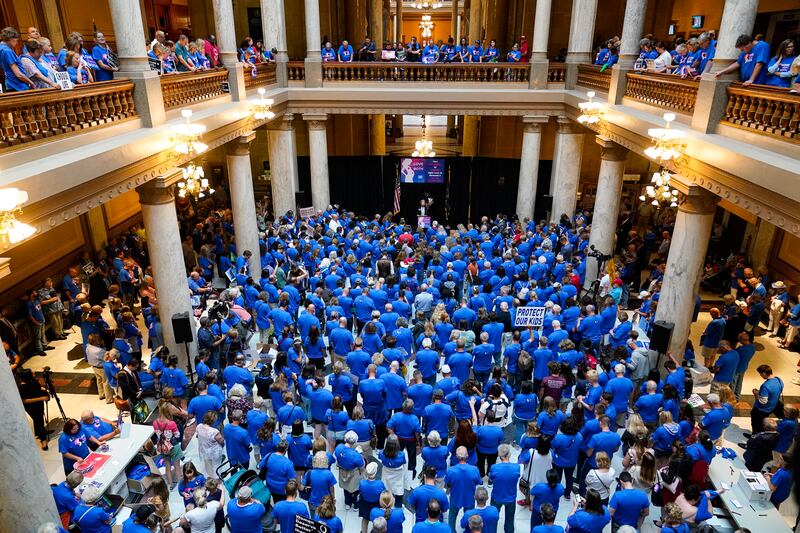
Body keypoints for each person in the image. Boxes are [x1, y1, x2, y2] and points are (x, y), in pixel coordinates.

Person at [446, 446, 483, 531]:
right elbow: (479, 482)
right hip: (469, 498)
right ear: (467, 456)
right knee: (470, 518)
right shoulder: (474, 469)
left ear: (456, 456)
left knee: (452, 517)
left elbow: (448, 483)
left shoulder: (451, 470)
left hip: (455, 498)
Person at [488, 444, 519, 533]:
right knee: (510, 519)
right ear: (509, 454)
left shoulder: (494, 467)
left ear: (499, 455)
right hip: (511, 497)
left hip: (497, 496)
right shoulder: (516, 467)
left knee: (493, 518)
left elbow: (491, 479)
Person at [18, 369, 50, 450]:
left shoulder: (33, 381)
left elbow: (37, 388)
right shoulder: (22, 387)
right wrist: (41, 398)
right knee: (38, 420)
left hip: (38, 404)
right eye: (31, 372)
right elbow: (25, 400)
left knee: (40, 419)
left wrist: (44, 389)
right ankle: (43, 440)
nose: (34, 372)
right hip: (31, 407)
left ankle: (42, 432)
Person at [750, 364, 783, 434]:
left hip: (762, 409)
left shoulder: (765, 385)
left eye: (760, 374)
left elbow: (763, 401)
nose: (760, 375)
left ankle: (755, 438)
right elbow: (777, 390)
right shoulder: (779, 380)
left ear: (764, 373)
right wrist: (760, 392)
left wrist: (756, 393)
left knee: (757, 425)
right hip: (773, 405)